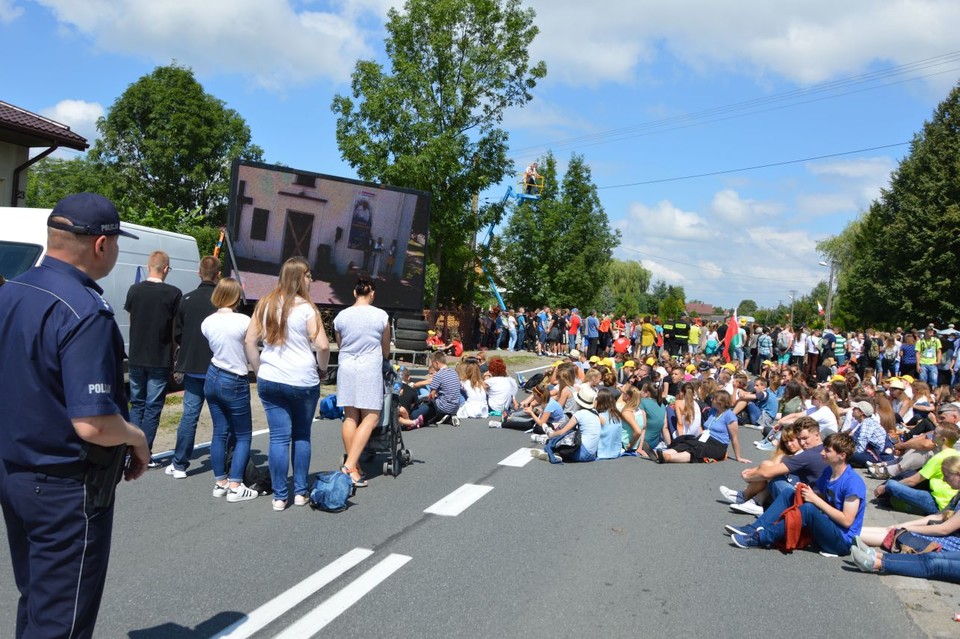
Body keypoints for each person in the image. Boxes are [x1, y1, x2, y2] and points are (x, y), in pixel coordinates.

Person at [0, 193, 150, 638]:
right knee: (61, 620)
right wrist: (137, 437)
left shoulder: (13, 291)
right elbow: (93, 422)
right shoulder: (86, 311)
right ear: (102, 244)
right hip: (65, 488)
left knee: (37, 601)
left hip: (15, 473)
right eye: (117, 242)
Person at [244, 257, 330, 511]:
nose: (311, 280)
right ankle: (301, 492)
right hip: (303, 380)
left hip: (271, 379)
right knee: (301, 435)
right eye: (309, 275)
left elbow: (249, 341)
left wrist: (260, 371)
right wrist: (322, 369)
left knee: (279, 438)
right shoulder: (308, 308)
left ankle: (280, 496)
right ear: (299, 277)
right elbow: (323, 345)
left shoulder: (265, 303)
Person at [729, 433, 866, 557]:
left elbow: (847, 521)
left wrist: (815, 500)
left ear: (842, 455)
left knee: (809, 510)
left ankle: (760, 538)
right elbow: (825, 496)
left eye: (827, 450)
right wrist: (807, 492)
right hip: (827, 528)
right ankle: (754, 528)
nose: (822, 452)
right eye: (823, 448)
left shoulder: (853, 482)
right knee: (790, 493)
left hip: (841, 542)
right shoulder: (829, 472)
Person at [201, 277, 258, 502]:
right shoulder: (244, 321)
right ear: (236, 296)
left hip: (212, 374)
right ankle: (236, 485)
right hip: (235, 377)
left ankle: (220, 481)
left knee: (219, 431)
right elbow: (252, 347)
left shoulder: (207, 322)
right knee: (243, 434)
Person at [125, 249, 183, 466]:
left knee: (137, 404)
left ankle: (130, 451)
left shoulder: (134, 290)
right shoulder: (173, 293)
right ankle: (143, 454)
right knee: (153, 407)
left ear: (148, 266)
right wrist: (175, 352)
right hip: (159, 356)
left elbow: (131, 320)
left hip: (137, 355)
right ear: (166, 268)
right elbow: (174, 328)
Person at [332, 277, 390, 487]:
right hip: (368, 368)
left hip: (347, 367)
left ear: (355, 293)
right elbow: (385, 350)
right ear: (372, 294)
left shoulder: (341, 316)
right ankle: (349, 466)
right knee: (371, 417)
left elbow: (340, 343)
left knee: (350, 417)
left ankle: (354, 468)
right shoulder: (381, 316)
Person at [167, 256, 221, 478]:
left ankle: (180, 463)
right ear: (218, 275)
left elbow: (177, 333)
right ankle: (224, 464)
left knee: (190, 416)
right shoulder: (222, 302)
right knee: (221, 418)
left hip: (191, 365)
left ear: (199, 272)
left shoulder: (186, 299)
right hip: (217, 365)